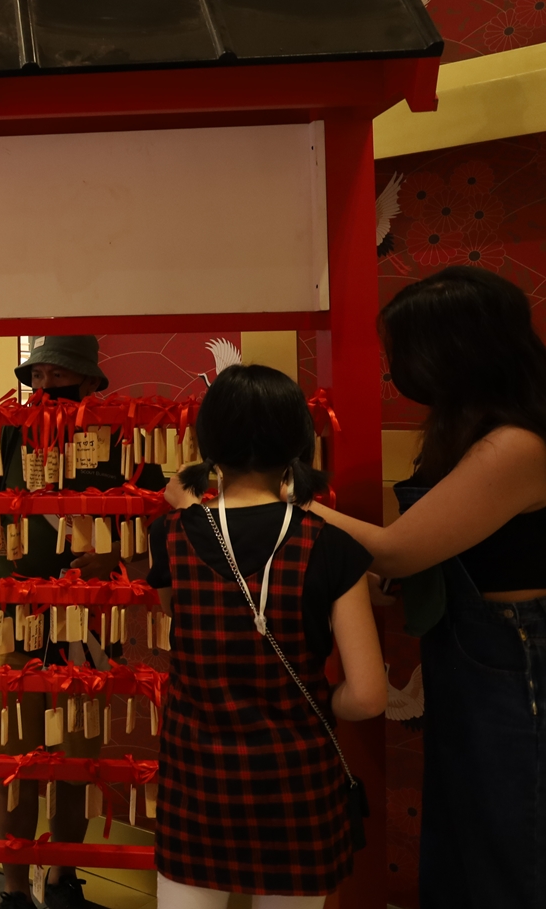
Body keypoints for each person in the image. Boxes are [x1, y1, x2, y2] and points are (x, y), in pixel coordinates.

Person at [306, 267, 546, 906]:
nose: (393, 369)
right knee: (465, 823)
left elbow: (399, 548)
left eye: (400, 351)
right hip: (467, 646)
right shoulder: (464, 432)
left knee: (511, 833)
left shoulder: (516, 445)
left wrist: (281, 501)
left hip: (514, 652)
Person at [149, 365, 385, 908]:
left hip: (197, 782)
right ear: (298, 443)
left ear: (207, 445)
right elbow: (369, 695)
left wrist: (185, 509)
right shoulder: (330, 545)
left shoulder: (170, 535)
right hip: (298, 786)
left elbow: (173, 613)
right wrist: (324, 702)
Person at [0, 335, 163, 909]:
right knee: (11, 763)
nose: (45, 386)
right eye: (38, 375)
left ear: (90, 381)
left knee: (77, 762)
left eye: (58, 375)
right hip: (8, 616)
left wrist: (115, 555)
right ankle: (12, 890)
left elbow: (157, 523)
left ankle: (61, 879)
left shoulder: (123, 437)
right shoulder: (8, 432)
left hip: (88, 622)